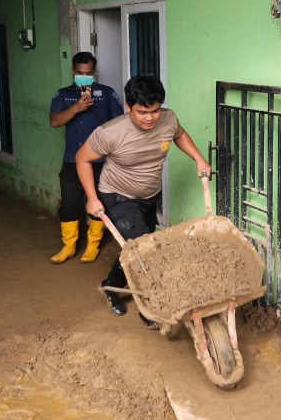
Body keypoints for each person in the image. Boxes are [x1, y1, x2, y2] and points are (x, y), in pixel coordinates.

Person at [76, 75, 212, 321]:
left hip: (149, 195)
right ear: (128, 107)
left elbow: (179, 134)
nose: (150, 118)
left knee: (136, 247)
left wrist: (199, 159)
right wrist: (91, 198)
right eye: (142, 112)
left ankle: (110, 285)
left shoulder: (168, 119)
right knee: (145, 250)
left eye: (155, 110)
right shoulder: (110, 133)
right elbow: (82, 158)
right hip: (117, 197)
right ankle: (152, 308)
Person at [49, 52, 123, 264]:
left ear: (94, 72)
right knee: (70, 203)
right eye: (80, 73)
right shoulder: (62, 94)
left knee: (98, 203)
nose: (84, 76)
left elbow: (119, 124)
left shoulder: (107, 94)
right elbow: (54, 122)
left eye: (88, 73)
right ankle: (69, 246)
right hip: (72, 160)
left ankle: (93, 245)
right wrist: (76, 108)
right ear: (73, 72)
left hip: (101, 162)